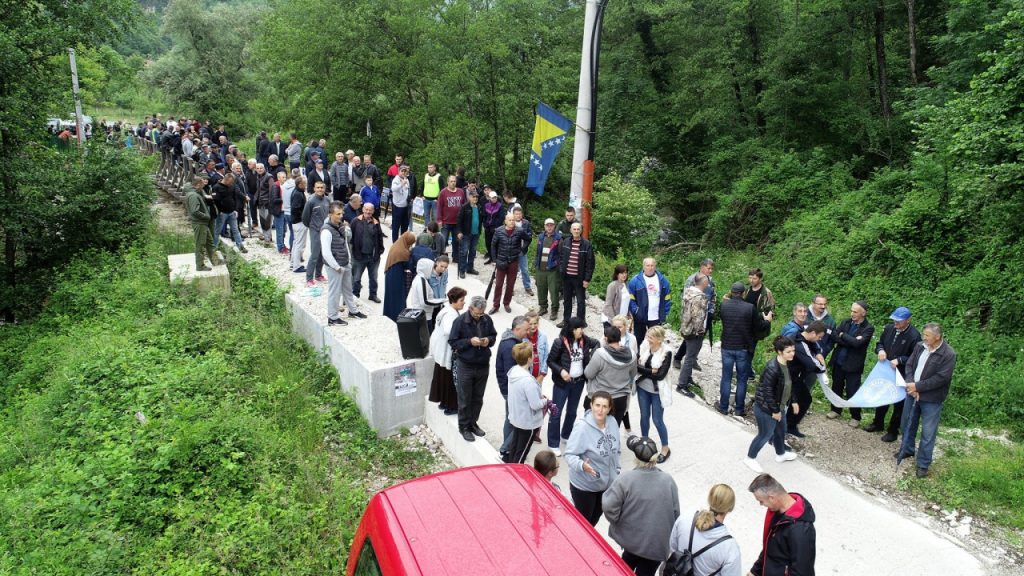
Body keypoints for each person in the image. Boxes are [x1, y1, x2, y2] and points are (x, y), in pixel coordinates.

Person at [603, 435, 680, 576]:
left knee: (622, 569)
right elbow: (676, 514)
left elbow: (608, 506)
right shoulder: (668, 480)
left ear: (636, 458)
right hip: (657, 547)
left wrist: (618, 522)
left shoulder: (625, 479)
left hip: (631, 544)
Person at [897, 323, 957, 478]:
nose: (923, 338)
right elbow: (909, 365)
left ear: (937, 337)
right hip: (912, 392)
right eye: (923, 335)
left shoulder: (948, 354)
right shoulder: (919, 346)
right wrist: (911, 385)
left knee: (928, 432)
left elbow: (941, 379)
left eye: (927, 335)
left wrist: (918, 387)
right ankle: (907, 449)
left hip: (931, 399)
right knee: (907, 423)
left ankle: (923, 464)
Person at [564, 390, 620, 527]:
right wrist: (582, 465)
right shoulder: (582, 427)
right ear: (591, 405)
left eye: (604, 406)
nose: (600, 410)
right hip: (585, 486)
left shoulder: (612, 422)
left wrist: (617, 470)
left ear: (610, 408)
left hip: (606, 485)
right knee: (583, 525)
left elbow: (617, 449)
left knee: (594, 520)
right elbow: (569, 454)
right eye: (597, 405)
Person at [867, 306, 922, 443]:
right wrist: (880, 350)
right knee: (882, 394)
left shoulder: (914, 336)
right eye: (894, 320)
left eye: (899, 321)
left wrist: (900, 360)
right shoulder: (889, 328)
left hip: (902, 373)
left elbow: (915, 357)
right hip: (886, 370)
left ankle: (893, 430)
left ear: (908, 320)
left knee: (898, 402)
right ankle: (877, 423)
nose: (895, 323)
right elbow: (880, 343)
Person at [745, 336, 799, 473]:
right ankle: (750, 458)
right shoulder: (772, 368)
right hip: (766, 409)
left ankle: (781, 454)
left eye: (793, 350)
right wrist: (775, 411)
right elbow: (767, 392)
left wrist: (794, 401)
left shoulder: (788, 364)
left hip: (780, 407)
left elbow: (788, 385)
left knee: (781, 431)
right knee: (765, 434)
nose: (792, 353)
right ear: (779, 352)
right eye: (788, 351)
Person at [546, 317, 599, 456]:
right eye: (581, 328)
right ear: (573, 329)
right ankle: (553, 443)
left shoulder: (585, 340)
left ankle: (566, 435)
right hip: (562, 383)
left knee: (572, 412)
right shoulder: (559, 342)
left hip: (578, 382)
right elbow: (550, 361)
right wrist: (561, 371)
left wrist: (592, 358)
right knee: (556, 412)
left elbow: (597, 343)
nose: (583, 331)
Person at [746, 474, 816, 576]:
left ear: (772, 498)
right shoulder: (777, 512)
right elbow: (770, 547)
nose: (761, 505)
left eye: (761, 501)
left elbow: (802, 572)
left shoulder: (800, 530)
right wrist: (755, 571)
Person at [449, 296, 497, 442]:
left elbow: (493, 336)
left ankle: (472, 423)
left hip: (482, 365)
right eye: (477, 313)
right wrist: (469, 342)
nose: (479, 316)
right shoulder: (460, 321)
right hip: (466, 366)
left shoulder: (487, 320)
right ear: (470, 309)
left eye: (481, 313)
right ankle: (463, 426)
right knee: (464, 399)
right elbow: (453, 342)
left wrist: (488, 341)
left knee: (478, 398)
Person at [718, 282, 771, 416]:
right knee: (742, 378)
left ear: (731, 291)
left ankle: (723, 407)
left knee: (726, 377)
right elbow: (758, 326)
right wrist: (767, 321)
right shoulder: (750, 308)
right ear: (743, 293)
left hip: (727, 346)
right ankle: (739, 409)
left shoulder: (724, 305)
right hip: (743, 347)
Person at [669, 484, 743, 576]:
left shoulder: (686, 518)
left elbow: (672, 549)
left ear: (709, 499)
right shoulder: (730, 549)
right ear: (730, 508)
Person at [826, 300, 874, 427]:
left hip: (853, 365)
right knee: (836, 387)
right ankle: (836, 410)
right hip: (839, 362)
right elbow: (835, 336)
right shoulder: (846, 322)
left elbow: (858, 344)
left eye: (855, 312)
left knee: (853, 391)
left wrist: (844, 336)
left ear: (863, 313)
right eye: (851, 310)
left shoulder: (868, 328)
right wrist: (849, 340)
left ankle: (855, 416)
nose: (852, 313)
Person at [584, 325, 637, 435]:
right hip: (620, 399)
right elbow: (633, 374)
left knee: (593, 431)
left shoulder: (600, 354)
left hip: (600, 399)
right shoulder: (631, 354)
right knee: (612, 432)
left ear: (606, 338)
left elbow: (588, 374)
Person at [505, 342, 549, 465]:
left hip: (517, 418)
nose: (535, 355)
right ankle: (516, 476)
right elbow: (535, 405)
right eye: (533, 354)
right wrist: (546, 401)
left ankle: (511, 469)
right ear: (529, 359)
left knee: (514, 448)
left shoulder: (513, 372)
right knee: (521, 454)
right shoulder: (528, 381)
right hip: (528, 423)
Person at [322, 201, 365, 326]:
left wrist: (349, 261)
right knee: (334, 292)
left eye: (342, 213)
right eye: (338, 214)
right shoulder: (326, 231)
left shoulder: (340, 226)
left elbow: (346, 243)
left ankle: (353, 311)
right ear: (330, 214)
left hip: (345, 263)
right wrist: (336, 267)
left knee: (348, 289)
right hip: (335, 266)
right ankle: (332, 318)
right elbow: (325, 252)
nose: (341, 216)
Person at [635, 325, 673, 463]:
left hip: (657, 392)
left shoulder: (666, 352)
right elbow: (636, 366)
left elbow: (661, 375)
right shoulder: (645, 346)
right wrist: (651, 371)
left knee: (657, 420)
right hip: (643, 388)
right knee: (644, 417)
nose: (648, 339)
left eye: (651, 337)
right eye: (648, 336)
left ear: (659, 339)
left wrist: (644, 370)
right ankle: (644, 443)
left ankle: (665, 448)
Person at [428, 287, 467, 416]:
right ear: (454, 301)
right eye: (461, 300)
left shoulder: (447, 309)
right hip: (445, 350)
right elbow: (448, 331)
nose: (463, 302)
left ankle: (444, 402)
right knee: (449, 379)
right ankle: (450, 405)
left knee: (442, 376)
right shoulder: (451, 314)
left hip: (440, 349)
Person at [496, 316, 530, 460]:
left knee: (510, 418)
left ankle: (508, 446)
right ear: (516, 329)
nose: (528, 332)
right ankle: (505, 449)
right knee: (515, 420)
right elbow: (512, 373)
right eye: (526, 329)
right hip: (511, 390)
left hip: (509, 389)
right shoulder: (510, 346)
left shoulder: (513, 341)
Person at [786, 321, 828, 439]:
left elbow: (814, 346)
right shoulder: (800, 344)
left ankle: (791, 426)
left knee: (804, 399)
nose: (819, 339)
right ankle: (783, 428)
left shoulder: (802, 335)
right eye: (819, 337)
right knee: (796, 400)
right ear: (813, 333)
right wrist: (823, 369)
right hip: (789, 376)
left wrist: (818, 353)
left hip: (795, 375)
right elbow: (812, 364)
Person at [676, 274, 709, 397]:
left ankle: (688, 378)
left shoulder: (688, 292)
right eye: (707, 282)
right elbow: (697, 316)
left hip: (686, 328)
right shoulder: (699, 297)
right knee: (690, 357)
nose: (708, 284)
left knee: (690, 355)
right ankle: (682, 385)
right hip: (694, 331)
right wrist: (700, 330)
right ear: (703, 283)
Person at [489, 213, 528, 314]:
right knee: (498, 284)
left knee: (510, 284)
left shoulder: (519, 231)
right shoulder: (499, 231)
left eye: (513, 220)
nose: (512, 222)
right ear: (505, 221)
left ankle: (506, 303)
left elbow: (528, 239)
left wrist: (523, 250)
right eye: (510, 220)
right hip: (501, 261)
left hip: (514, 261)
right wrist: (494, 260)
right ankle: (495, 305)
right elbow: (493, 245)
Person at [557, 222, 595, 327]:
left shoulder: (587, 244)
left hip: (580, 278)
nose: (576, 231)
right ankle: (566, 321)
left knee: (580, 302)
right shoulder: (565, 242)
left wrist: (587, 279)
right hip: (567, 277)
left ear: (581, 230)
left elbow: (590, 263)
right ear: (571, 230)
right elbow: (560, 258)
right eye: (574, 229)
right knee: (567, 300)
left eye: (578, 229)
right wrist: (561, 270)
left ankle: (580, 323)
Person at [742, 268, 776, 379]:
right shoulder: (747, 290)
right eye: (750, 277)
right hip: (745, 324)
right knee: (744, 348)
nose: (752, 280)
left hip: (756, 325)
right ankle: (747, 371)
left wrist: (760, 316)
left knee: (750, 349)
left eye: (754, 278)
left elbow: (770, 311)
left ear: (760, 279)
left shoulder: (766, 293)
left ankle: (748, 373)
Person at [627, 257, 671, 344]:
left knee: (655, 340)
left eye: (652, 265)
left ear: (655, 266)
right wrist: (636, 311)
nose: (650, 268)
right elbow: (631, 298)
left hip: (656, 316)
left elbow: (667, 297)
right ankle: (639, 356)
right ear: (643, 266)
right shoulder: (635, 281)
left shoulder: (662, 280)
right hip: (640, 316)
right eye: (648, 265)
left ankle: (652, 356)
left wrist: (665, 312)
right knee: (639, 339)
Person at [350, 203, 385, 303]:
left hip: (373, 257)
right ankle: (355, 295)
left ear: (373, 211)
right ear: (363, 209)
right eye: (366, 209)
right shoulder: (356, 221)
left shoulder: (376, 223)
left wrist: (380, 251)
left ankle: (373, 295)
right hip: (358, 256)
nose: (368, 212)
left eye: (370, 210)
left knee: (373, 278)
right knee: (356, 278)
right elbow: (350, 238)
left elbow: (380, 238)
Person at [186, 175, 221, 271]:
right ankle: (200, 265)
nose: (204, 184)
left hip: (203, 223)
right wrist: (207, 216)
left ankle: (215, 261)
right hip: (200, 223)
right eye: (202, 182)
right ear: (198, 184)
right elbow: (195, 211)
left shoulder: (196, 193)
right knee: (200, 244)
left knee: (210, 243)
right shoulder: (193, 196)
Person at [685, 258, 717, 360]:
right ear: (702, 267)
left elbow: (713, 296)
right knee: (690, 336)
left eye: (712, 269)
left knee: (700, 337)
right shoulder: (692, 279)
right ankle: (678, 358)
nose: (710, 270)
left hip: (706, 314)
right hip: (693, 314)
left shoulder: (710, 280)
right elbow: (686, 296)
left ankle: (693, 357)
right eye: (709, 268)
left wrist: (711, 309)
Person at [407, 256, 449, 333]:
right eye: (441, 266)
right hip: (426, 313)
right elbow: (425, 301)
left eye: (445, 267)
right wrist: (443, 300)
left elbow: (444, 285)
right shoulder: (422, 280)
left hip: (432, 309)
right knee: (428, 335)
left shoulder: (421, 278)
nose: (443, 269)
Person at [301, 181, 331, 287]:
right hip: (315, 231)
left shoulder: (327, 200)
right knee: (314, 255)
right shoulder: (311, 201)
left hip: (325, 232)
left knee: (323, 254)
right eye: (317, 187)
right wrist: (313, 227)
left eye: (321, 188)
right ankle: (309, 278)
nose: (319, 189)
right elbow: (305, 218)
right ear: (314, 188)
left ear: (324, 189)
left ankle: (318, 275)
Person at [382, 231, 417, 322]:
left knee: (390, 296)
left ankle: (388, 315)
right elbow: (408, 265)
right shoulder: (403, 251)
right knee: (399, 297)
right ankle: (397, 317)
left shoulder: (396, 245)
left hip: (390, 273)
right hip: (397, 276)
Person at [534, 218, 562, 319]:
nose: (549, 227)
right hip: (540, 268)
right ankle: (543, 307)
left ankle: (554, 310)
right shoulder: (541, 236)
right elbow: (538, 252)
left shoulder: (559, 238)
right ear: (545, 226)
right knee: (541, 288)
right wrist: (536, 262)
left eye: (551, 225)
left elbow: (561, 255)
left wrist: (556, 263)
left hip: (552, 270)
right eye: (547, 225)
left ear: (554, 226)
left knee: (554, 290)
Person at [438, 175, 466, 263]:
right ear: (448, 182)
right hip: (446, 221)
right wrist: (439, 220)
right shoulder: (443, 192)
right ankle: (442, 257)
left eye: (454, 181)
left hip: (457, 222)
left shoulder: (461, 192)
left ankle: (455, 257)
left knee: (456, 241)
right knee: (443, 240)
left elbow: (464, 205)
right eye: (451, 181)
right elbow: (439, 207)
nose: (453, 183)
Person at [456, 188, 482, 277]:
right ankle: (462, 270)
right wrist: (459, 231)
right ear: (469, 197)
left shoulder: (479, 207)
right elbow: (459, 220)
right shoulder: (464, 207)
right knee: (464, 252)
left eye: (476, 197)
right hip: (466, 233)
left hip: (476, 234)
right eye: (473, 197)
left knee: (473, 252)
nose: (475, 198)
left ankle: (470, 268)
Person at [511, 206, 534, 296]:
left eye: (519, 214)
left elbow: (529, 235)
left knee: (524, 269)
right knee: (513, 270)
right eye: (516, 214)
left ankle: (527, 287)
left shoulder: (526, 223)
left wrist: (524, 247)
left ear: (522, 214)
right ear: (513, 214)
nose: (518, 215)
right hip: (512, 251)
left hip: (523, 250)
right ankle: (511, 287)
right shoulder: (510, 222)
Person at [601, 264, 630, 329]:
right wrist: (614, 321)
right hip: (611, 320)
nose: (624, 275)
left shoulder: (627, 285)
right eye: (621, 273)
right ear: (617, 274)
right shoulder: (612, 285)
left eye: (625, 272)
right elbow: (608, 305)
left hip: (622, 320)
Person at [808, 294, 837, 358]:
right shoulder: (804, 317)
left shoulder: (830, 322)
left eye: (825, 304)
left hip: (821, 357)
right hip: (804, 356)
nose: (823, 306)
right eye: (820, 304)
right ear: (813, 303)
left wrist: (826, 350)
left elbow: (832, 340)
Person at [481, 188, 506, 264]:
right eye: (492, 198)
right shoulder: (486, 205)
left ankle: (496, 259)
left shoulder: (500, 206)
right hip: (488, 227)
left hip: (496, 228)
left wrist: (495, 227)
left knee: (495, 243)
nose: (494, 199)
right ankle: (491, 258)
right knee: (488, 243)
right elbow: (484, 216)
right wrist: (485, 225)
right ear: (489, 198)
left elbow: (501, 217)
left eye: (495, 197)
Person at [289, 175, 307, 273]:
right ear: (300, 184)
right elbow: (295, 209)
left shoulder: (297, 191)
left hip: (296, 222)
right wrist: (304, 218)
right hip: (299, 222)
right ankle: (296, 266)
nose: (306, 185)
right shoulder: (298, 194)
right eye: (305, 183)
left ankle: (293, 263)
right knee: (300, 244)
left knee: (296, 243)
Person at [390, 164, 412, 241]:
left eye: (405, 171)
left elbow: (408, 190)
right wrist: (401, 184)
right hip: (397, 206)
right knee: (396, 226)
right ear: (399, 171)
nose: (403, 173)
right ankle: (395, 242)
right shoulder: (395, 180)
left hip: (405, 206)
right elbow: (393, 189)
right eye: (402, 171)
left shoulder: (407, 180)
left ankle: (402, 241)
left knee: (405, 226)